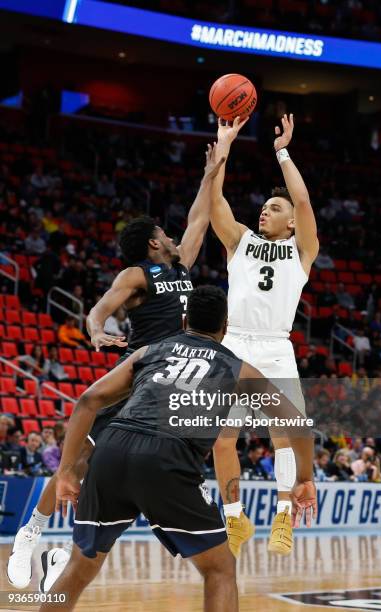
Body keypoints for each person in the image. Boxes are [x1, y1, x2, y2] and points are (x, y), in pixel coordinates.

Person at [7, 144, 227, 592]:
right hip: (138, 380)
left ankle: (154, 513)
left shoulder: (181, 264)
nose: (171, 236)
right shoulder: (136, 275)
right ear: (152, 242)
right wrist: (94, 329)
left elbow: (199, 219)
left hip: (174, 379)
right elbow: (99, 308)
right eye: (164, 233)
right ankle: (31, 531)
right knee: (81, 459)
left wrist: (211, 171)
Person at [39, 286, 316, 612]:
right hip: (167, 457)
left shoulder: (150, 351)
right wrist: (304, 478)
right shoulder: (239, 369)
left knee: (80, 565)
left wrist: (68, 470)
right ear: (224, 327)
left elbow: (88, 400)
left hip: (111, 450)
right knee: (220, 569)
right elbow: (297, 425)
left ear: (184, 320)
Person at [210, 114, 319, 555]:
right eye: (265, 206)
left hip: (276, 345)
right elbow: (214, 200)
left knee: (285, 436)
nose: (265, 210)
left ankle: (282, 518)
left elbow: (305, 201)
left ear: (291, 223)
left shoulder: (301, 251)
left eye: (275, 208)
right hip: (234, 341)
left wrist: (282, 152)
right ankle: (235, 521)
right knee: (221, 439)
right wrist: (224, 146)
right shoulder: (239, 241)